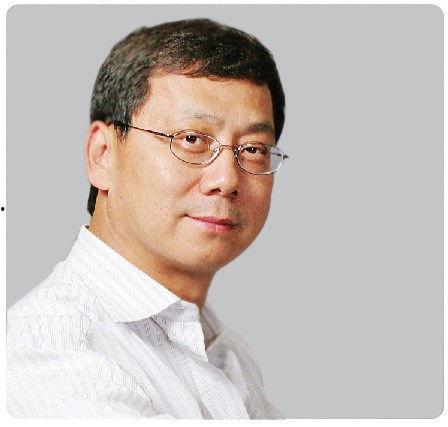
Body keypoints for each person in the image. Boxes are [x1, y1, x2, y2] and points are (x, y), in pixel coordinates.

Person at [6, 18, 288, 419]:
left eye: (254, 149)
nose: (227, 180)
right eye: (191, 139)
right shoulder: (50, 354)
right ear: (103, 154)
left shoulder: (225, 351)